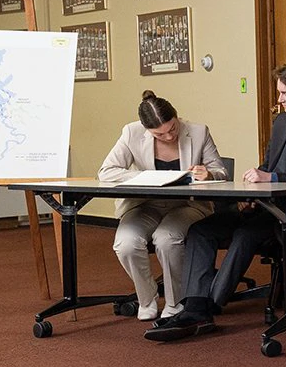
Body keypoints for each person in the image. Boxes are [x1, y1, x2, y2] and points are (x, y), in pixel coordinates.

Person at [147, 62, 286, 342]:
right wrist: (252, 191)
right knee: (201, 230)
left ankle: (206, 308)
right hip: (261, 204)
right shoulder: (281, 121)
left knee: (245, 234)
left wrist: (271, 178)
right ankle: (195, 303)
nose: (279, 100)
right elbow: (268, 164)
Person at [97, 91, 228, 322]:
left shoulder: (198, 132)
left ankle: (175, 302)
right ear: (146, 129)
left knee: (166, 238)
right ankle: (147, 298)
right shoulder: (131, 133)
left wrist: (208, 174)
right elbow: (107, 172)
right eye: (159, 134)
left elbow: (222, 172)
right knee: (125, 243)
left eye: (173, 128)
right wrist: (144, 177)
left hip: (187, 205)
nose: (168, 136)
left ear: (176, 117)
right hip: (144, 205)